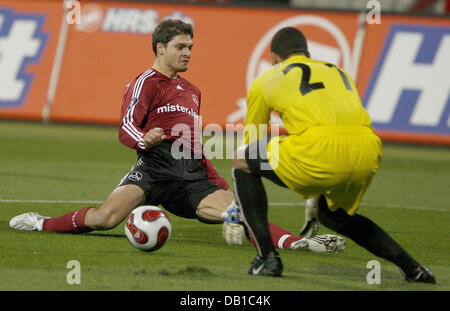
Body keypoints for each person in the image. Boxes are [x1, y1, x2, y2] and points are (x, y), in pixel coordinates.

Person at [9, 19, 344, 254]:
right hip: (153, 170)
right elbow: (126, 126)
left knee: (241, 211)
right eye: (181, 47)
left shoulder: (193, 91)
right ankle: (41, 223)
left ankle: (299, 244)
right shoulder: (145, 83)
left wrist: (218, 182)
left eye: (191, 47)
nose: (187, 53)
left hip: (191, 176)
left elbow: (194, 143)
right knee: (104, 218)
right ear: (160, 48)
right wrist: (145, 138)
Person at [232, 27, 436, 283]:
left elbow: (255, 141)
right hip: (368, 150)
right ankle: (415, 269)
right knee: (334, 215)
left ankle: (267, 258)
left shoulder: (268, 78)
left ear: (274, 57)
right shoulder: (337, 71)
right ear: (308, 54)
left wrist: (244, 209)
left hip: (320, 151)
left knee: (242, 161)